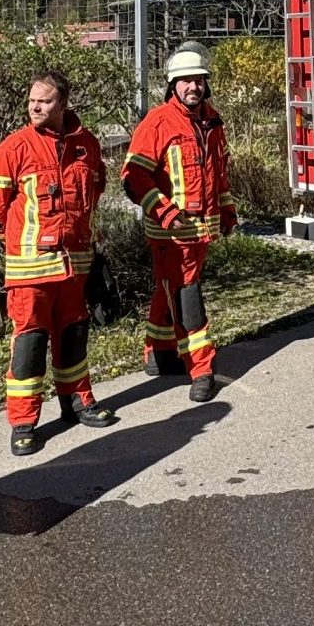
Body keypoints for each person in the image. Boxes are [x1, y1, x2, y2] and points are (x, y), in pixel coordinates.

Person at [0, 70, 116, 457]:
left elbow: (96, 189)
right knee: (30, 343)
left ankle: (77, 402)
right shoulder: (14, 147)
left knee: (73, 335)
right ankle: (23, 422)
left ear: (64, 104)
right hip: (30, 270)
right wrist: (24, 243)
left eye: (44, 101)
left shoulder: (86, 144)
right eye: (31, 101)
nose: (35, 107)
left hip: (75, 265)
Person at [124, 41, 236, 402]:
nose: (194, 87)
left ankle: (157, 353)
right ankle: (201, 368)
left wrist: (227, 210)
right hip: (170, 232)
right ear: (172, 85)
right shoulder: (157, 122)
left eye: (199, 80)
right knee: (187, 294)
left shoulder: (212, 121)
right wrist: (166, 212)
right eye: (185, 81)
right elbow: (133, 177)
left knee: (168, 287)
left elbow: (219, 173)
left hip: (201, 231)